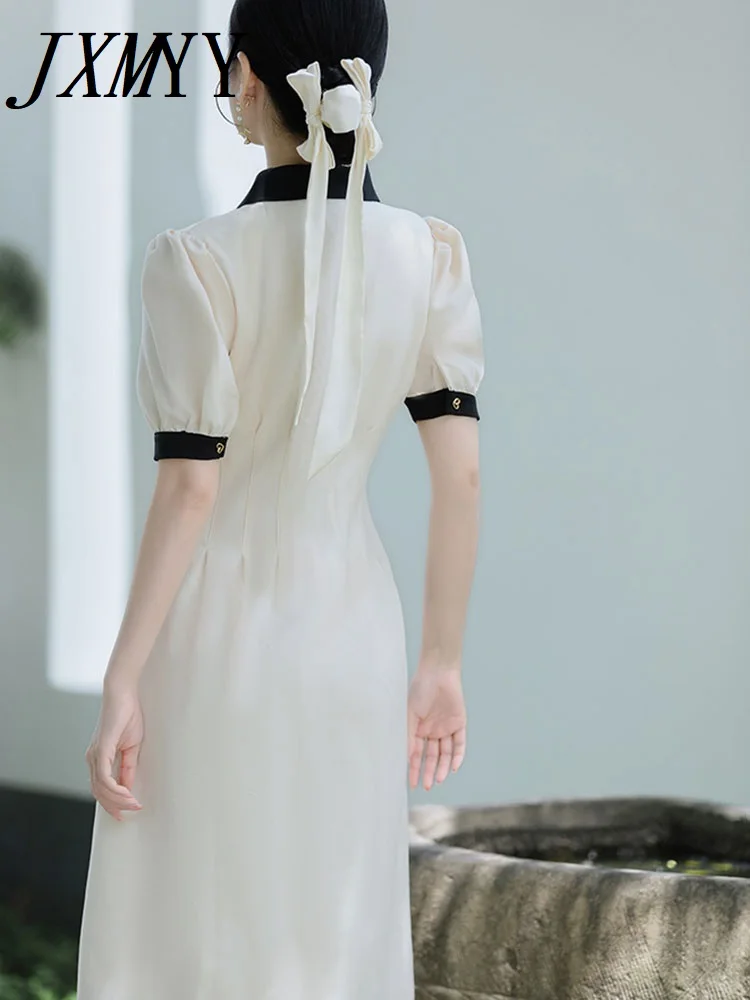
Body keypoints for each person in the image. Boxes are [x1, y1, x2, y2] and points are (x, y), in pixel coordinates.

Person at [76, 0, 484, 996]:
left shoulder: (194, 258)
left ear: (246, 77)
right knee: (329, 917)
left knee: (197, 915)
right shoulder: (427, 252)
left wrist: (122, 676)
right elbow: (461, 475)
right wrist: (441, 662)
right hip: (356, 628)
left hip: (216, 630)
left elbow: (191, 488)